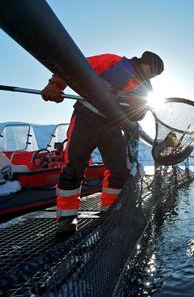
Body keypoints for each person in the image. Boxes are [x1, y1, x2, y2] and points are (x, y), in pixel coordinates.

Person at [41, 51, 164, 234]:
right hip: (86, 117)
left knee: (118, 170)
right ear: (144, 63)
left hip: (112, 126)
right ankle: (67, 219)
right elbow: (72, 67)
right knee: (74, 167)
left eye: (154, 75)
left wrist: (135, 107)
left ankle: (110, 211)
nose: (151, 76)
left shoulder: (146, 89)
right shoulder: (111, 61)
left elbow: (137, 115)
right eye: (151, 71)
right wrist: (55, 85)